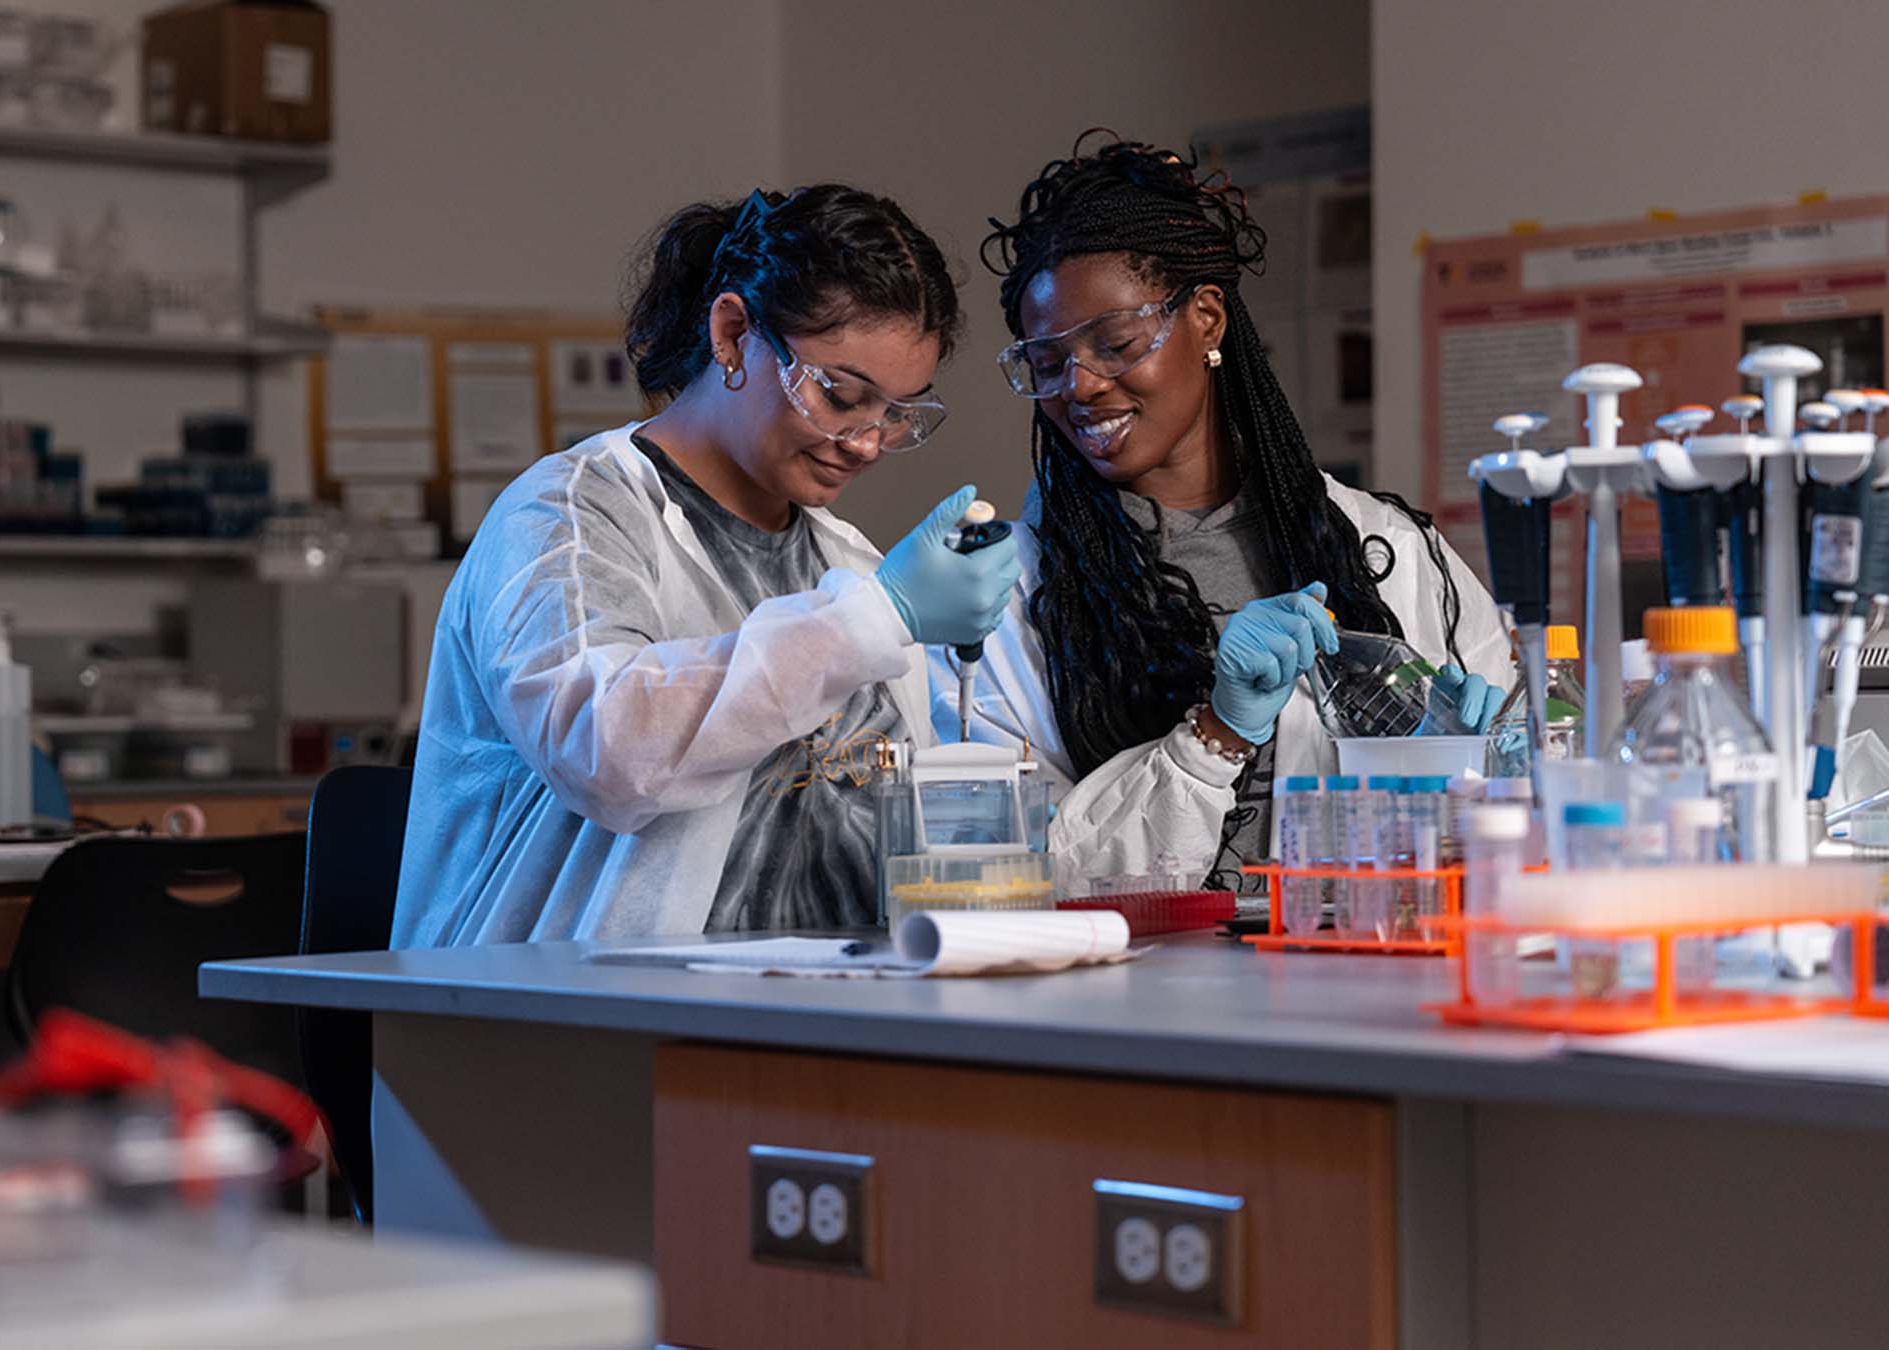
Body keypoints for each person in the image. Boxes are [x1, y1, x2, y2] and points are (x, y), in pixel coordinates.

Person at [394, 185, 1019, 947]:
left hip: (827, 1014)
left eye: (896, 413)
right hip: (572, 1027)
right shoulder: (569, 517)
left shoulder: (844, 561)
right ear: (732, 334)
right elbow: (608, 751)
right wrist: (879, 619)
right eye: (839, 394)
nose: (866, 442)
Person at [942, 133, 1511, 896]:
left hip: (1356, 985)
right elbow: (1018, 880)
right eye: (1046, 364)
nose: (1079, 387)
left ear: (1207, 319)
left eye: (1114, 344)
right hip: (1121, 1006)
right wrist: (1217, 732)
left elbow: (1513, 838)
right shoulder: (999, 598)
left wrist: (1479, 772)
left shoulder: (1394, 553)